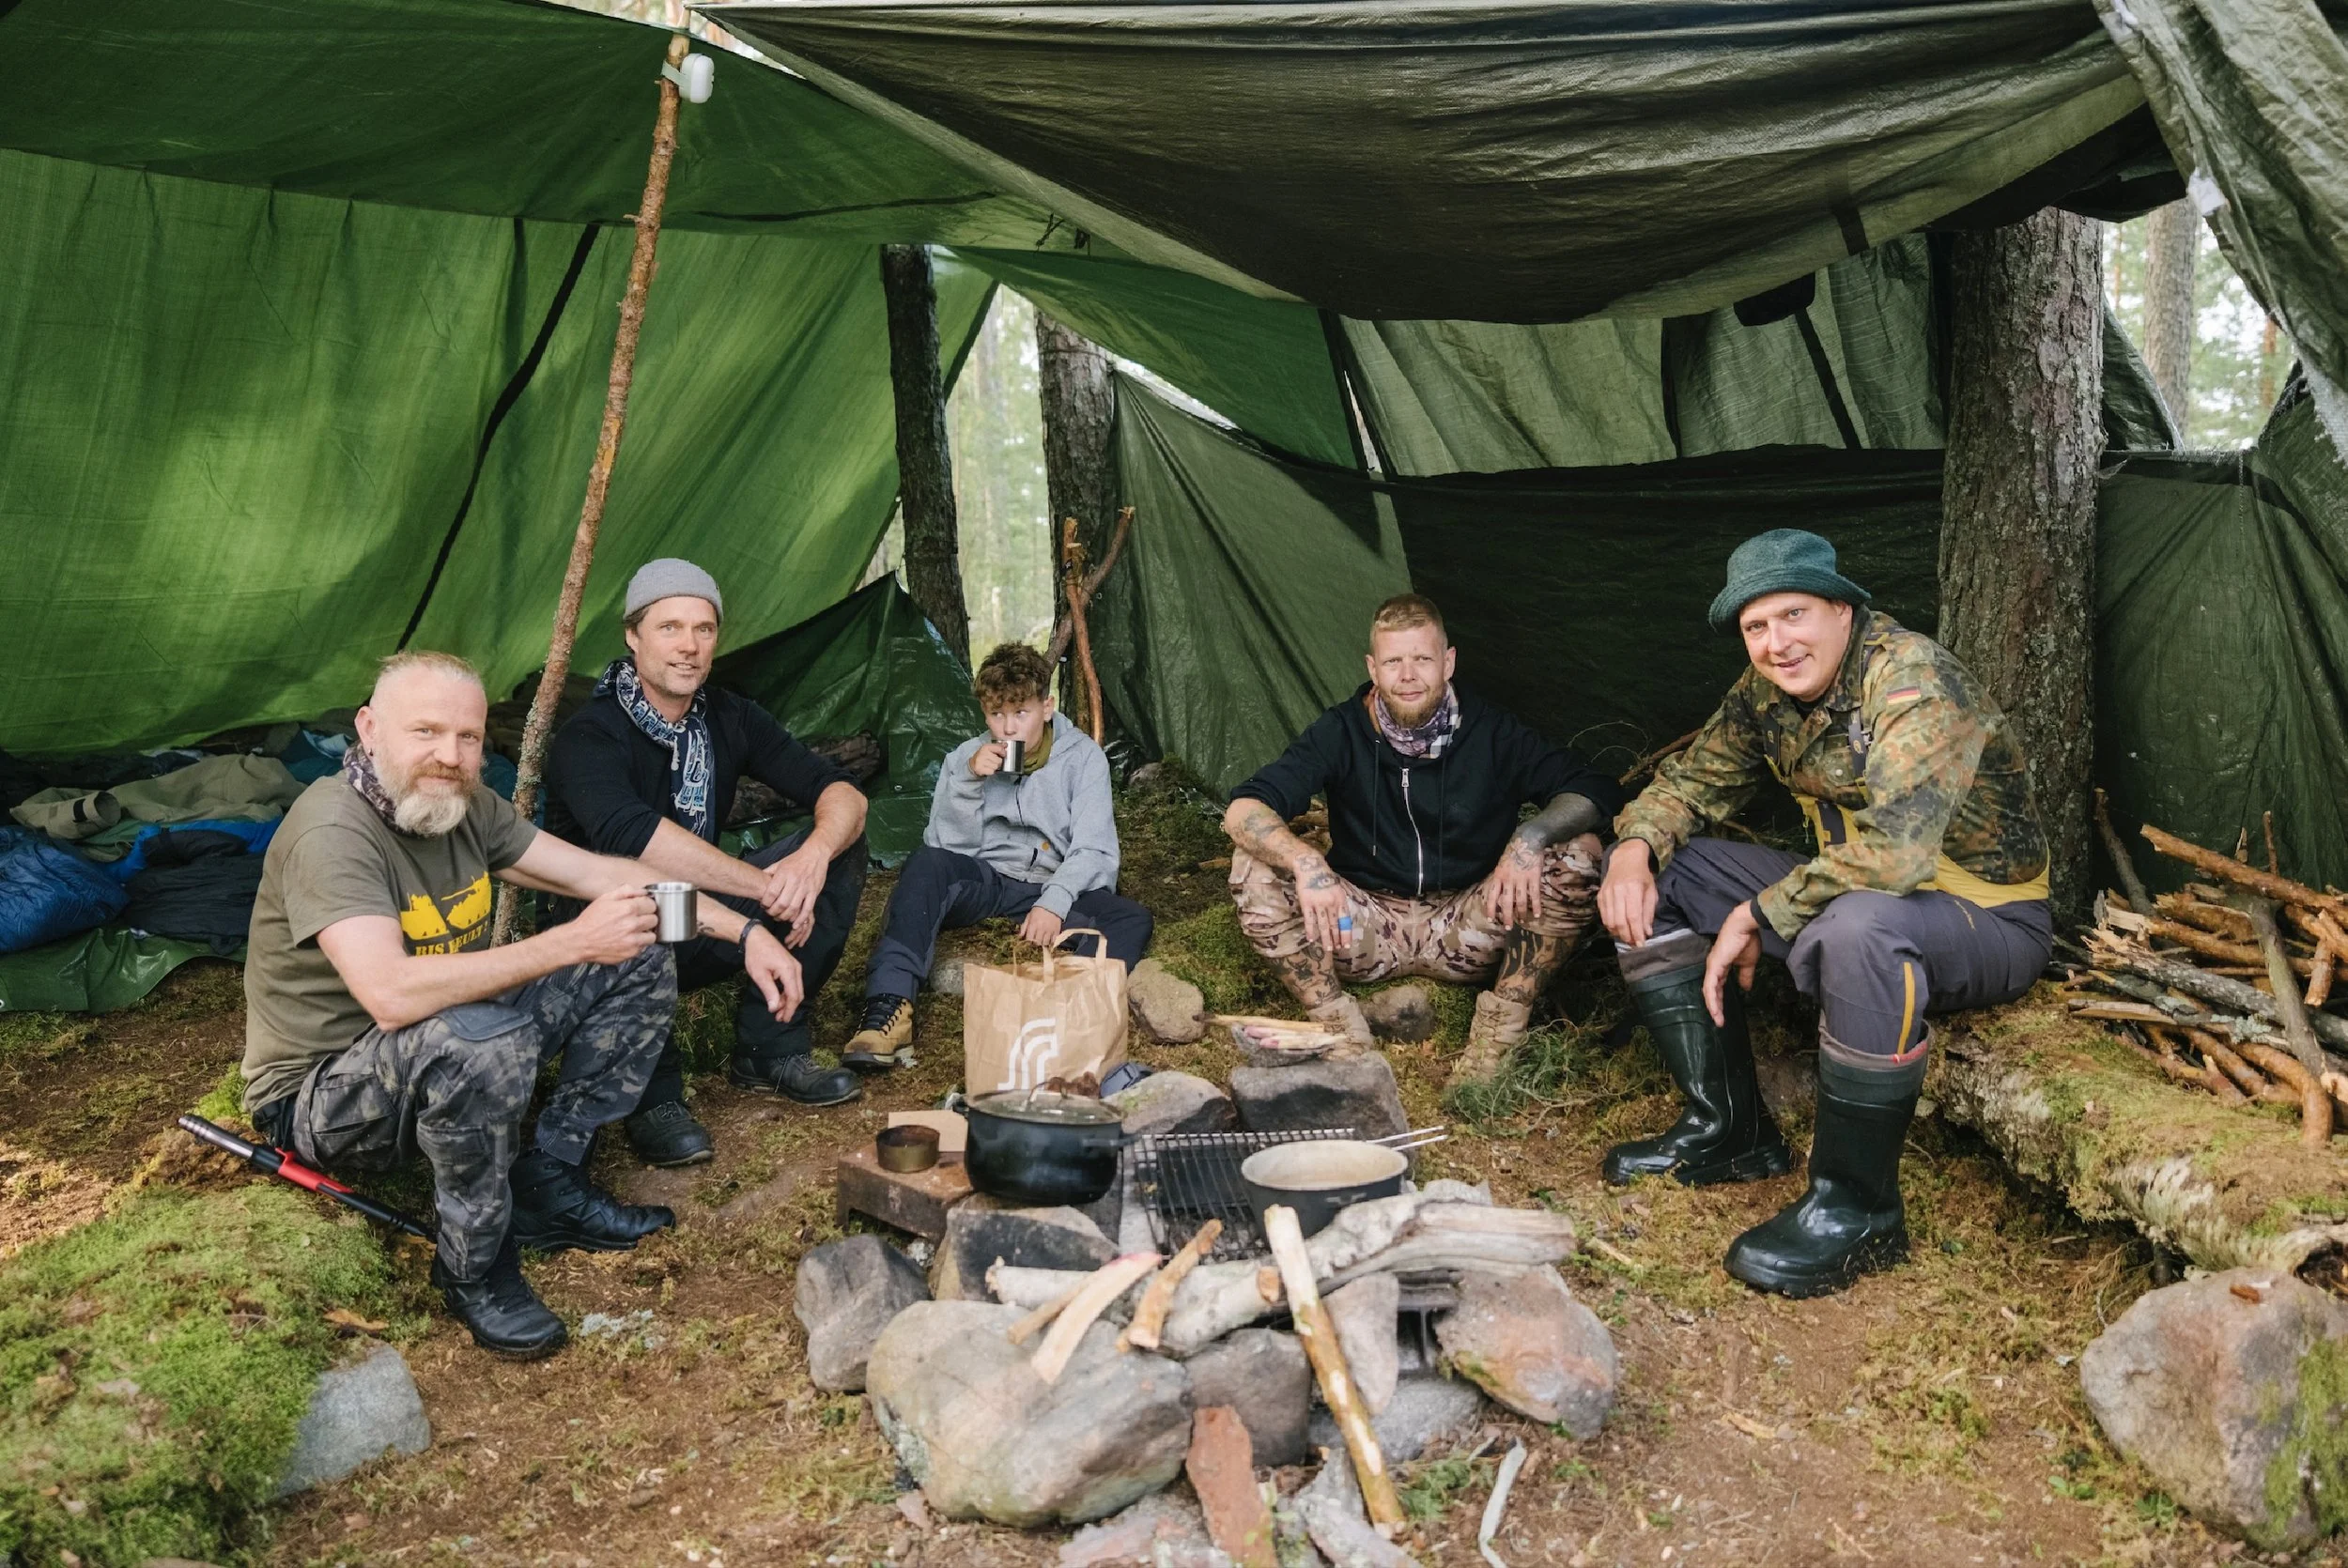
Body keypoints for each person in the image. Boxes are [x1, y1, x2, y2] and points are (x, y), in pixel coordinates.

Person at [242, 652, 805, 1359]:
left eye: (469, 738)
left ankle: (549, 1179)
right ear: (369, 728)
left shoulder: (465, 807)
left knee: (634, 949)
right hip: (325, 1096)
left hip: (444, 1037)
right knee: (485, 1036)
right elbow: (388, 995)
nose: (449, 756)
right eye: (426, 732)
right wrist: (568, 942)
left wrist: (743, 928)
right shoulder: (333, 832)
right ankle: (473, 1265)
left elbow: (606, 876)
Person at [1599, 529, 2052, 1298]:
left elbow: (1897, 857)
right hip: (1855, 893)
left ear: (1843, 610)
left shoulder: (1910, 680)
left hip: (1984, 919)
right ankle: (1729, 1131)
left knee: (1859, 927)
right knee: (1667, 872)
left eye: (1795, 615)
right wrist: (1633, 847)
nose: (1777, 643)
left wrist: (1758, 913)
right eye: (1756, 627)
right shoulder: (1765, 692)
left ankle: (1857, 1209)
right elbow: (1692, 783)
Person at [1221, 593, 1622, 1096]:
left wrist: (1530, 836)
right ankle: (1337, 1028)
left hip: (1470, 924)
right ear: (1373, 667)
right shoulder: (1341, 729)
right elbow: (1244, 808)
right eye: (1393, 661)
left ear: (1448, 661)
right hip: (1360, 927)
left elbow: (1596, 789)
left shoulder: (1492, 730)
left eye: (1422, 659)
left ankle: (1499, 1033)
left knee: (1580, 849)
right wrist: (1305, 861)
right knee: (1254, 861)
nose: (1408, 675)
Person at [546, 560, 871, 1164]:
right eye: (670, 627)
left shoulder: (729, 715)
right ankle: (654, 1097)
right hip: (614, 929)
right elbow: (634, 837)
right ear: (632, 635)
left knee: (841, 845)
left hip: (705, 925)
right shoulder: (589, 736)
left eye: (704, 629)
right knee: (636, 900)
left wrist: (813, 858)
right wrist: (763, 887)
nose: (689, 647)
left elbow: (840, 790)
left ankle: (769, 1048)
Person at [842, 642, 1151, 1064]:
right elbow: (947, 850)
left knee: (1131, 917)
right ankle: (887, 1010)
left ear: (1047, 707)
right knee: (924, 864)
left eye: (1020, 713)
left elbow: (1094, 849)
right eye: (996, 715)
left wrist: (1054, 903)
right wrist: (968, 781)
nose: (1007, 729)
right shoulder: (965, 758)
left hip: (1050, 882)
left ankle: (1069, 1019)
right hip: (988, 880)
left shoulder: (1083, 759)